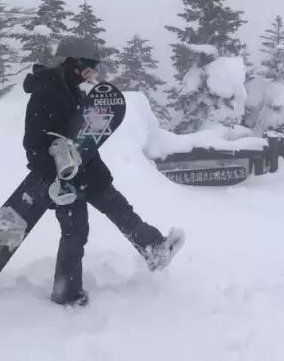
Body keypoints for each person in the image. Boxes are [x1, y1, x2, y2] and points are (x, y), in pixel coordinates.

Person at [22, 38, 183, 307]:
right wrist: (52, 181)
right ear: (74, 62)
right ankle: (66, 293)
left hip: (90, 172)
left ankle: (154, 249)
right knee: (75, 232)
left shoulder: (73, 88)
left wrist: (93, 97)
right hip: (65, 180)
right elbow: (33, 144)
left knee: (121, 211)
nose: (95, 71)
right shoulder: (46, 92)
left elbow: (85, 132)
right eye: (91, 65)